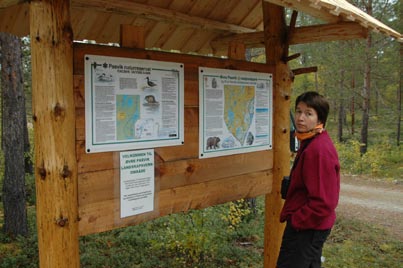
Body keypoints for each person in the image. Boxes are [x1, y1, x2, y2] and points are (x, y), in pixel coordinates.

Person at [277, 91, 340, 268]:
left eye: (308, 113)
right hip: (309, 226)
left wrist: (297, 221)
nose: (300, 118)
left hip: (307, 228)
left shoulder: (318, 150)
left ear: (320, 119)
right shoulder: (310, 141)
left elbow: (323, 202)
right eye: (298, 111)